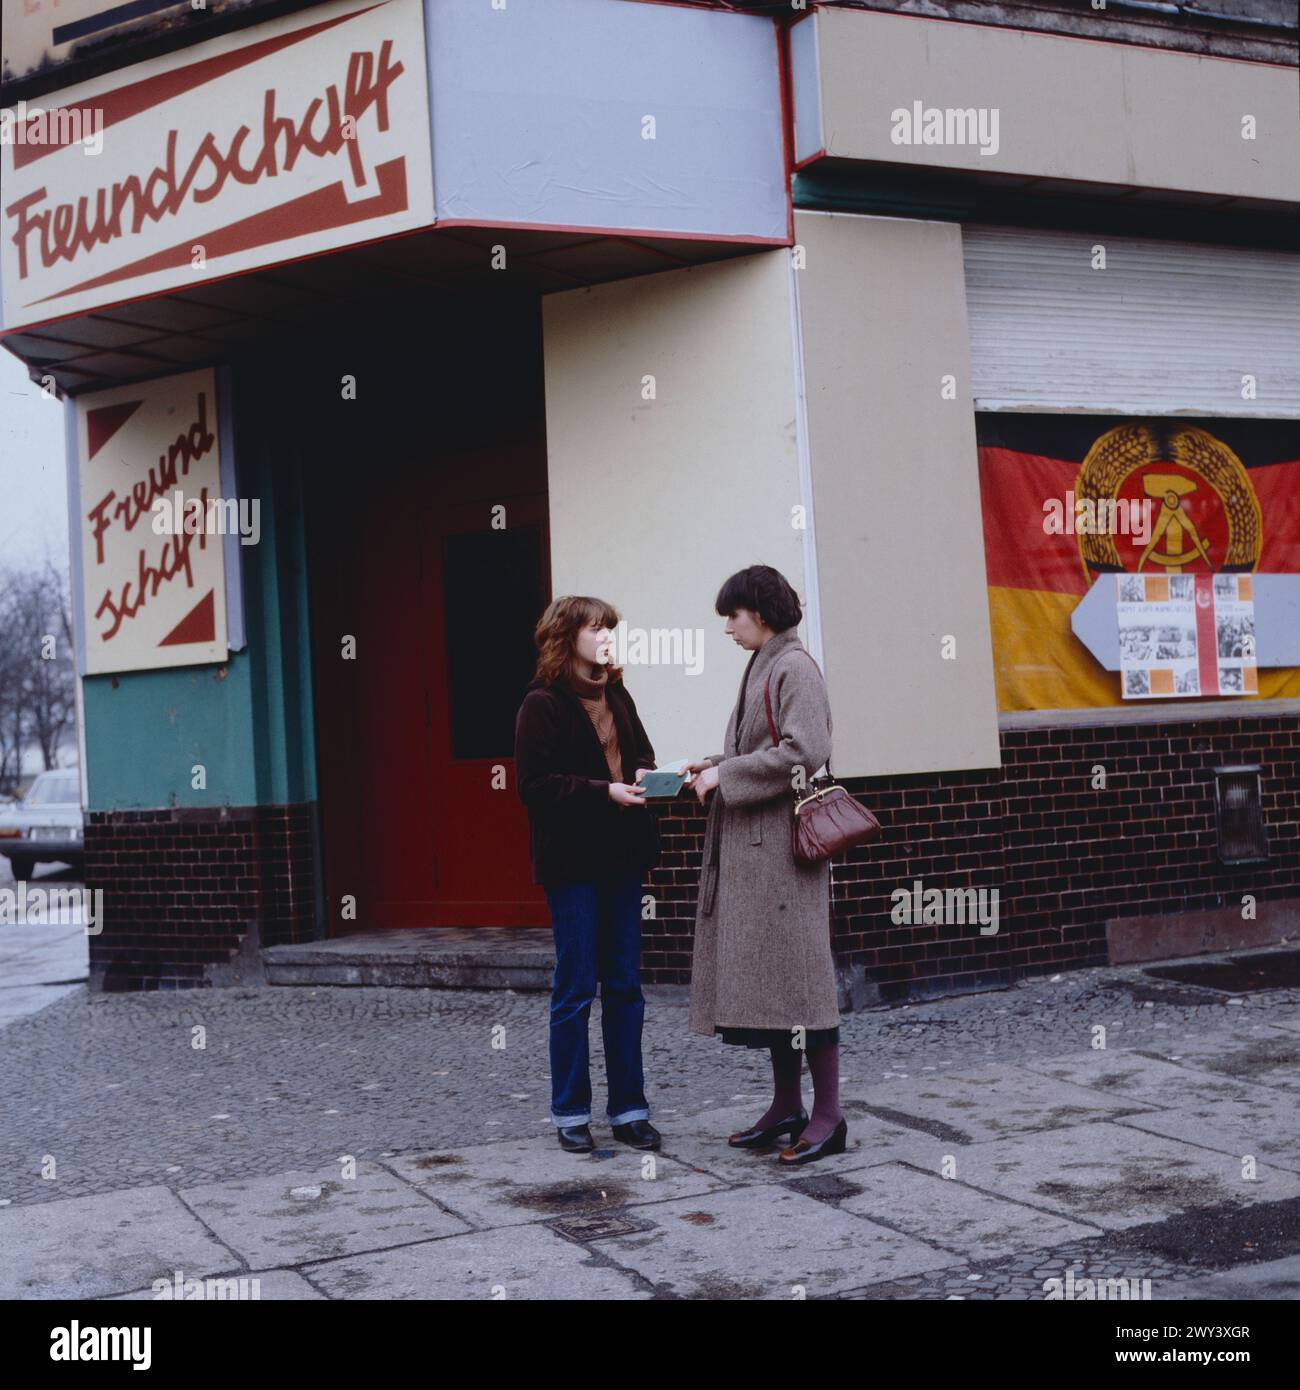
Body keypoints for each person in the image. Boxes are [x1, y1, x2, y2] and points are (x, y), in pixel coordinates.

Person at [684, 565, 847, 1165]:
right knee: (778, 982)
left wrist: (725, 775)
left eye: (734, 614)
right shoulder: (764, 663)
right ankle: (787, 1106)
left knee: (803, 979)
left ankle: (828, 1116)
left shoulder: (793, 666)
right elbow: (760, 750)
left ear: (764, 612)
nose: (727, 626)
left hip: (784, 851)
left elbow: (805, 752)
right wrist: (706, 765)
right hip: (759, 850)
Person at [514, 595, 662, 1154]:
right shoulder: (541, 704)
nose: (605, 637)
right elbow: (534, 785)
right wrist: (605, 792)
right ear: (566, 635)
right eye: (596, 628)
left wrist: (651, 776)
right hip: (573, 864)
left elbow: (640, 754)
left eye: (611, 628)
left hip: (623, 857)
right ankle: (570, 1112)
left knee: (624, 985)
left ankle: (629, 1110)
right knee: (576, 987)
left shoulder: (616, 692)